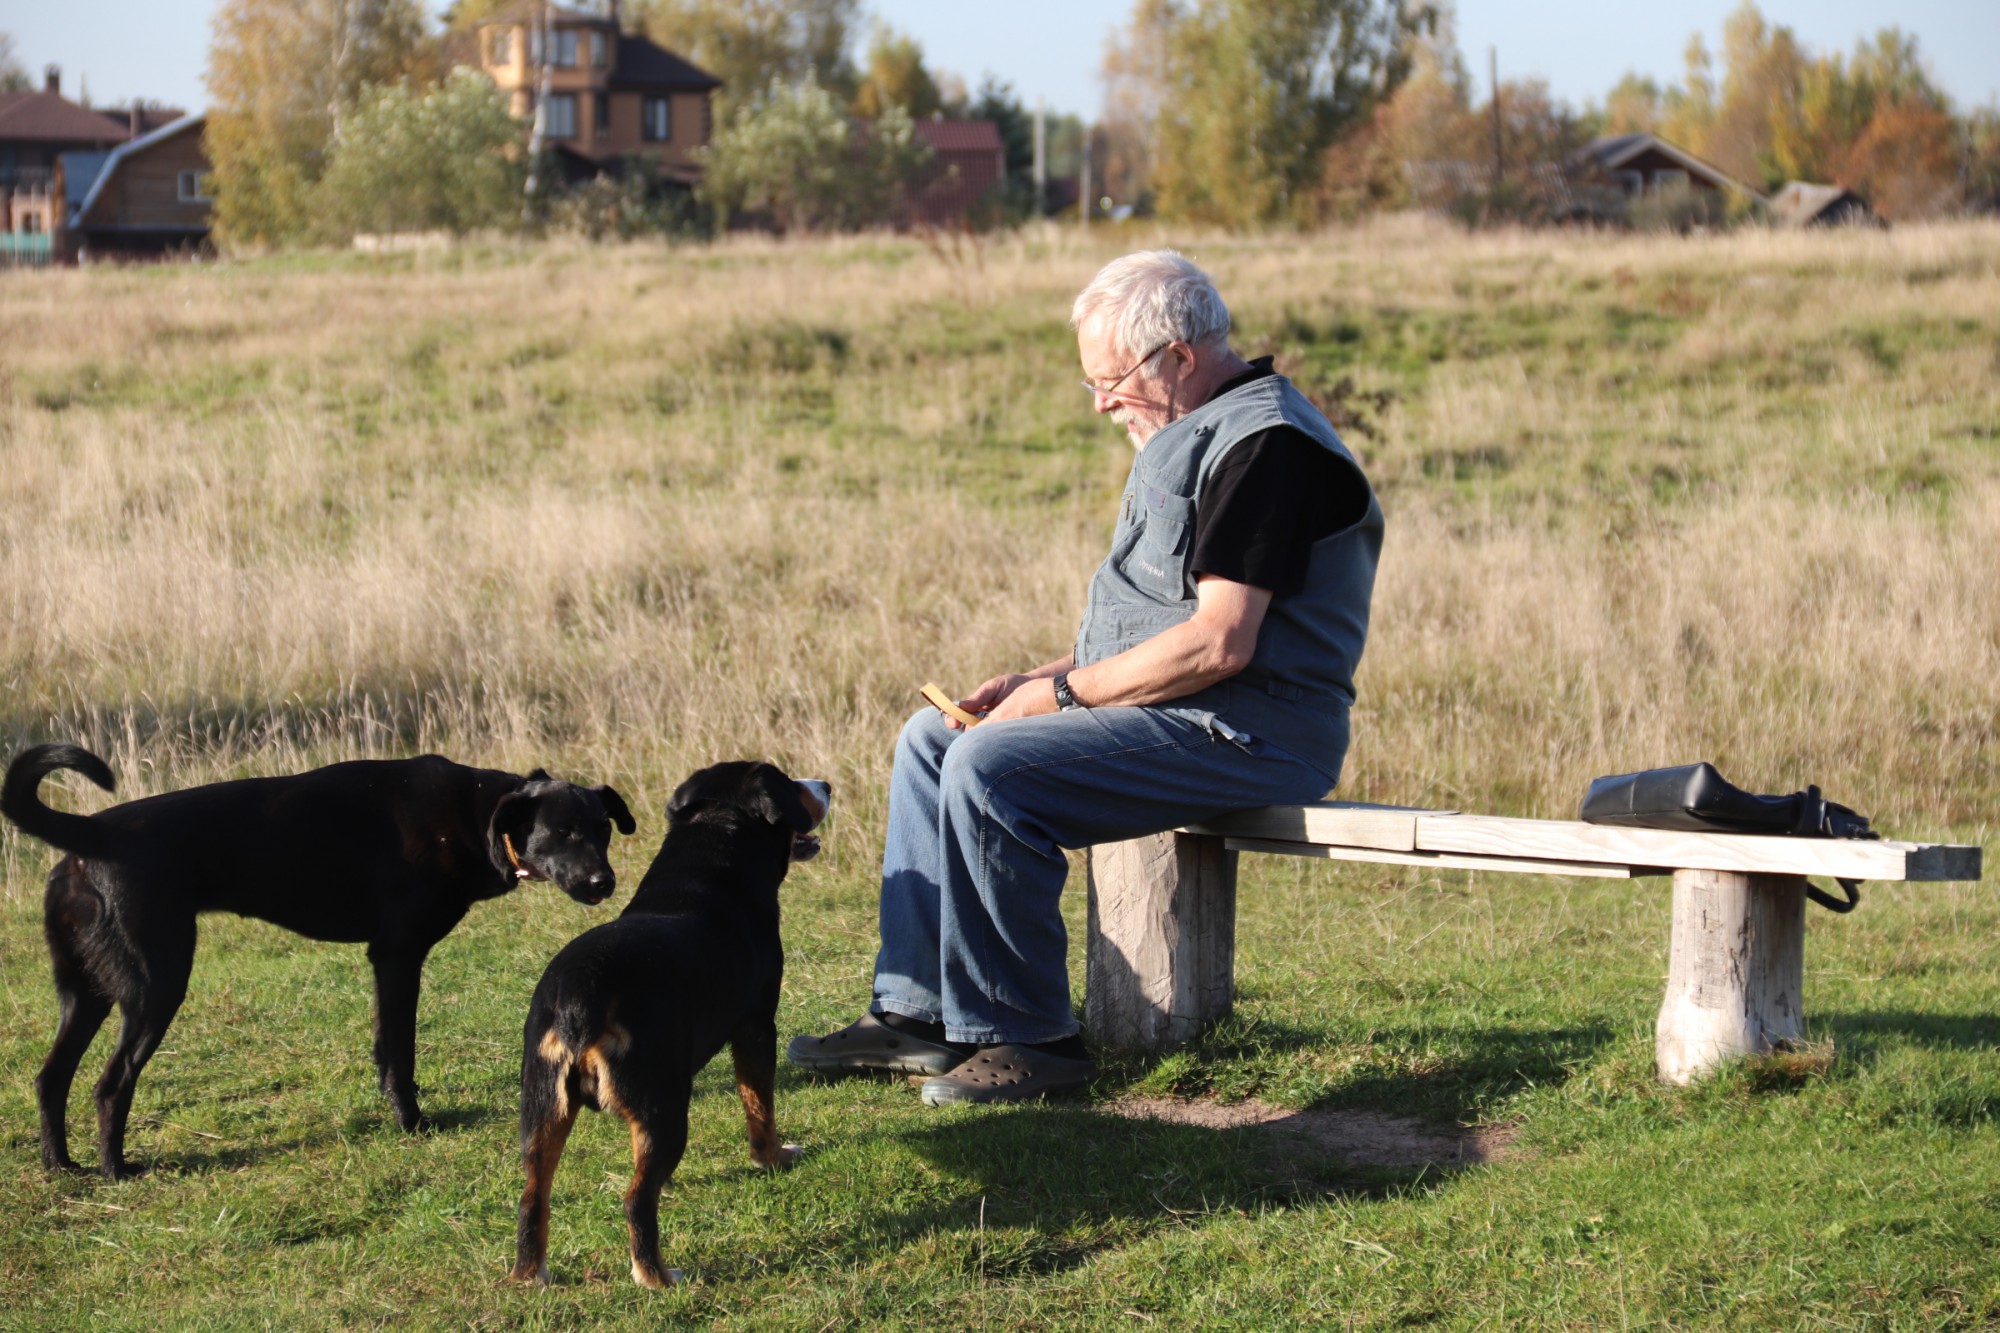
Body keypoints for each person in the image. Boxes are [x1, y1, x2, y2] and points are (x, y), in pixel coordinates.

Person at [788, 250, 1383, 1105]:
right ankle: (916, 1014)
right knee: (933, 739)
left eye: (1112, 380)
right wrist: (1034, 680)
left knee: (992, 770)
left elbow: (1220, 644)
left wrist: (1060, 699)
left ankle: (1029, 1039)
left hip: (1254, 729)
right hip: (1188, 712)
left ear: (1178, 355)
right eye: (1091, 382)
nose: (1102, 401)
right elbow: (1163, 627)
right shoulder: (1197, 426)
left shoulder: (1269, 447)